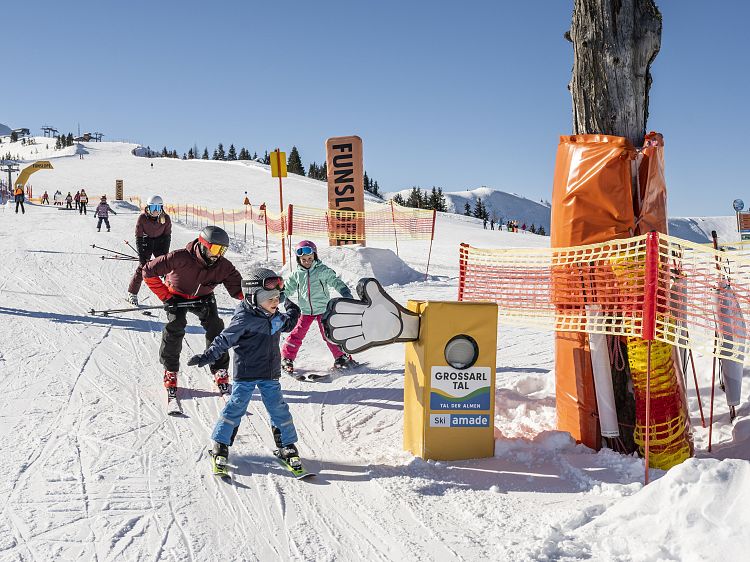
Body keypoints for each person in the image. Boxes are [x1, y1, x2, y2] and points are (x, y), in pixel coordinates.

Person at [187, 267, 302, 472]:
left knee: (279, 409)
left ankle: (286, 446)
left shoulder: (275, 315)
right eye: (269, 298)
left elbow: (289, 323)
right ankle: (220, 445)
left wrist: (292, 306)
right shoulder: (243, 319)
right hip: (246, 373)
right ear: (252, 298)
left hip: (270, 373)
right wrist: (207, 355)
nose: (275, 302)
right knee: (235, 408)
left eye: (277, 297)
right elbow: (223, 340)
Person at [142, 225, 243, 395]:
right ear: (204, 245)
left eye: (223, 250)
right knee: (175, 325)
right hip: (177, 296)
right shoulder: (179, 257)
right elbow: (148, 271)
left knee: (216, 327)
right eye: (216, 249)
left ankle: (219, 369)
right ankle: (170, 371)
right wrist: (166, 297)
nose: (218, 254)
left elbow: (239, 290)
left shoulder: (223, 266)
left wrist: (260, 297)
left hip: (203, 298)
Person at [281, 240, 355, 373]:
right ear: (299, 259)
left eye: (310, 258)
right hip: (306, 311)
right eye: (304, 259)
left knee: (329, 334)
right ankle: (287, 357)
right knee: (297, 334)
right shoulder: (296, 274)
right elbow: (288, 288)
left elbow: (335, 281)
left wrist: (344, 291)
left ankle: (342, 356)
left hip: (323, 309)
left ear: (315, 256)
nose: (307, 261)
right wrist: (281, 295)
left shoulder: (322, 270)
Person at [127, 195, 172, 306]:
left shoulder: (165, 218)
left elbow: (167, 237)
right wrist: (142, 255)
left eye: (158, 208)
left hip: (159, 243)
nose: (156, 211)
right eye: (153, 208)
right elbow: (139, 237)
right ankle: (132, 293)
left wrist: (164, 254)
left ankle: (172, 293)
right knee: (143, 267)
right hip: (146, 242)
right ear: (148, 208)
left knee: (166, 267)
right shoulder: (142, 218)